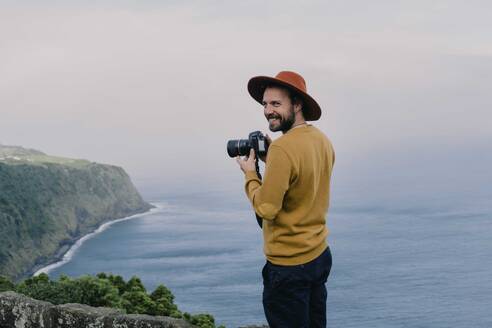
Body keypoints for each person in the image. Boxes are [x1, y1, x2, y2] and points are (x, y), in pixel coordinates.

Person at [235, 71, 335, 327]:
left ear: (297, 104)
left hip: (288, 266)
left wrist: (250, 175)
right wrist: (272, 160)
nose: (268, 111)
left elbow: (266, 208)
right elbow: (303, 180)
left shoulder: (283, 148)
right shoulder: (321, 140)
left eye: (276, 104)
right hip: (318, 255)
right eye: (265, 104)